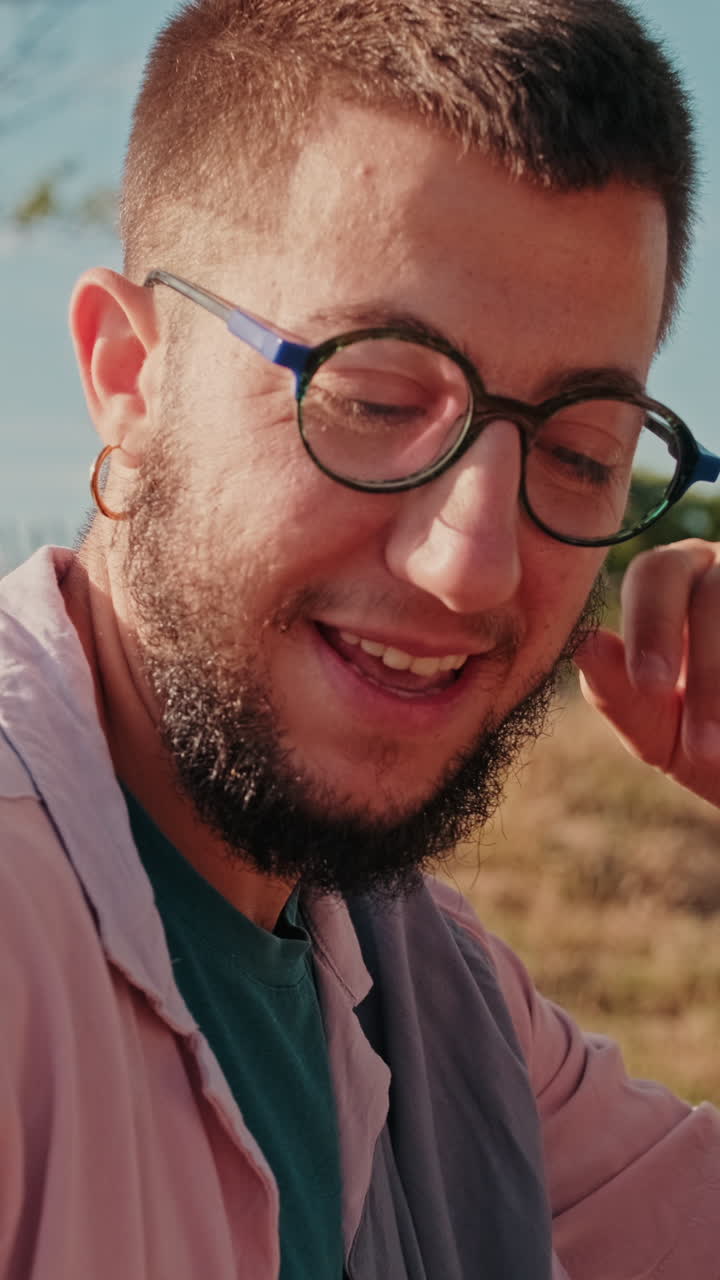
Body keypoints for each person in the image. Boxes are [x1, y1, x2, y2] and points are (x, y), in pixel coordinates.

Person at [1, 0, 719, 1275]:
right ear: (127, 373)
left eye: (580, 450)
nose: (473, 561)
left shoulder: (428, 1001)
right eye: (377, 399)